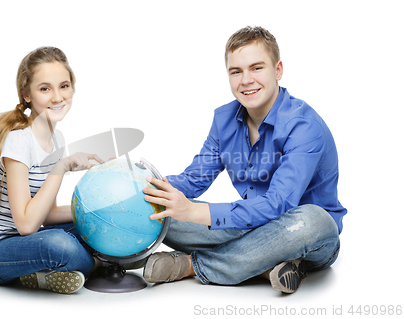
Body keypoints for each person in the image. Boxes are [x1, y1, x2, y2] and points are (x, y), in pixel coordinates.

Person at [142, 26, 347, 293]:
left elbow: (277, 205)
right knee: (158, 210)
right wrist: (144, 186)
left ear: (278, 70)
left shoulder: (304, 126)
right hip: (248, 223)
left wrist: (193, 212)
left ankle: (193, 265)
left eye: (257, 68)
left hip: (302, 231)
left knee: (313, 221)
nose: (246, 80)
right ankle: (264, 265)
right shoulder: (224, 119)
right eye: (236, 71)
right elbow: (194, 179)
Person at [0, 46, 104, 294]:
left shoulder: (56, 139)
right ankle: (102, 264)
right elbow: (27, 225)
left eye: (64, 86)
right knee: (60, 245)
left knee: (94, 226)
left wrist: (93, 211)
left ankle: (43, 273)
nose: (58, 97)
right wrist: (60, 167)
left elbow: (45, 216)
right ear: (27, 94)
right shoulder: (19, 140)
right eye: (45, 89)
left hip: (20, 241)